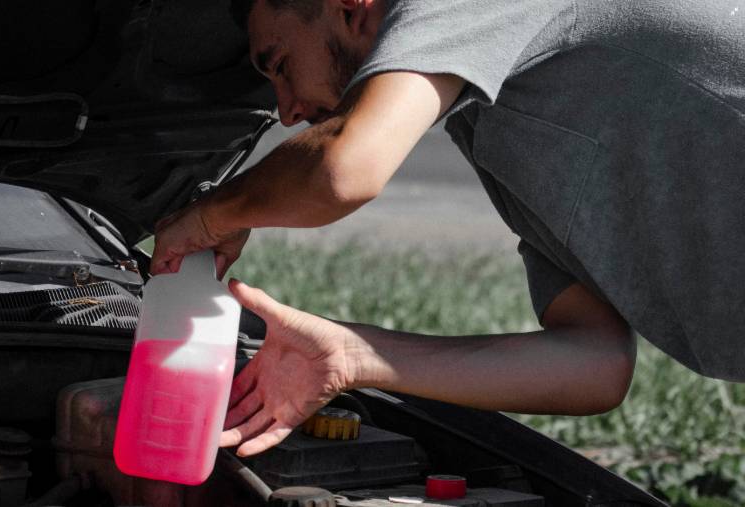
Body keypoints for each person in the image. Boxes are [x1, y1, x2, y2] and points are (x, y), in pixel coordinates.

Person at [151, 0, 745, 457]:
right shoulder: (496, 127)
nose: (285, 110)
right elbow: (594, 364)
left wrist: (211, 216)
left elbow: (343, 169)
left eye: (280, 66)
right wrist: (353, 356)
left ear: (349, 6)